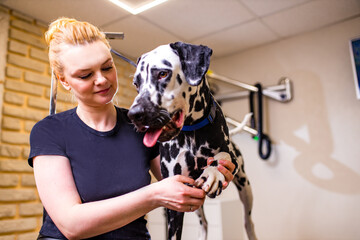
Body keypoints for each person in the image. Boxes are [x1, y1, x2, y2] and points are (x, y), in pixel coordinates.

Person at [28, 17, 235, 240]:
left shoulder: (145, 127)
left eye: (107, 67)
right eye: (85, 75)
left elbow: (183, 189)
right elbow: (72, 225)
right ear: (64, 81)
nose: (102, 80)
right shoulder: (49, 131)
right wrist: (154, 195)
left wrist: (214, 173)